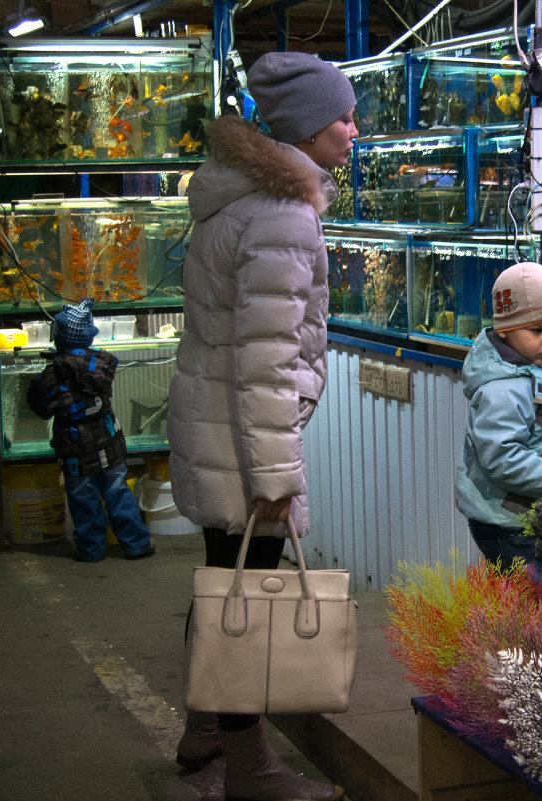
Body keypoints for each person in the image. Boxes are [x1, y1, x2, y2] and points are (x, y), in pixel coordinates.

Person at [166, 50, 356, 801]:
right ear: (307, 128)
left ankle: (203, 729)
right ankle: (251, 771)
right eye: (340, 116)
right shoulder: (281, 216)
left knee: (223, 586)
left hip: (219, 428)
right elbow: (266, 364)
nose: (351, 128)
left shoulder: (242, 201)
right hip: (244, 443)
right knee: (242, 604)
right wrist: (276, 477)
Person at [456, 262, 542, 568]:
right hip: (507, 520)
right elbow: (503, 459)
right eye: (537, 330)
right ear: (505, 330)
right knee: (528, 596)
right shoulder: (502, 389)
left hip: (523, 509)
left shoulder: (533, 368)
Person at [26, 299, 154, 563]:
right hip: (109, 443)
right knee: (119, 494)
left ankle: (90, 550)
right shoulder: (100, 364)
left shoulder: (51, 375)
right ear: (88, 337)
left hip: (74, 452)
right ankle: (137, 544)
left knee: (83, 500)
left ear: (57, 339)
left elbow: (39, 407)